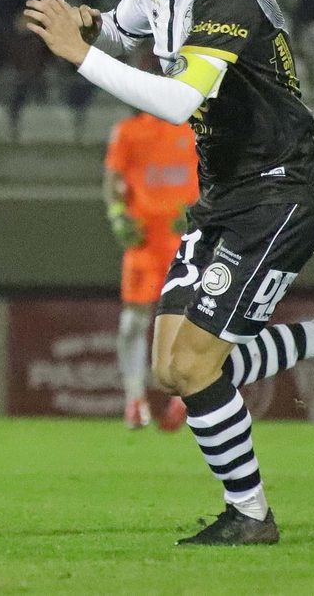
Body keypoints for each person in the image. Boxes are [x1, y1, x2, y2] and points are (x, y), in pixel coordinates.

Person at [21, 0, 314, 546]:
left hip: (279, 194)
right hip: (225, 194)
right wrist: (92, 26)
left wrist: (80, 57)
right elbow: (128, 30)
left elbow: (181, 97)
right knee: (171, 364)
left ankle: (250, 514)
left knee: (193, 363)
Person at [103, 95, 199, 432]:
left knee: (187, 324)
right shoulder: (129, 132)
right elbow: (114, 178)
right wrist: (117, 218)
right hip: (144, 242)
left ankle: (182, 400)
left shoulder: (193, 130)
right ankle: (134, 401)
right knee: (133, 322)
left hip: (183, 244)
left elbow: (212, 177)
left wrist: (200, 215)